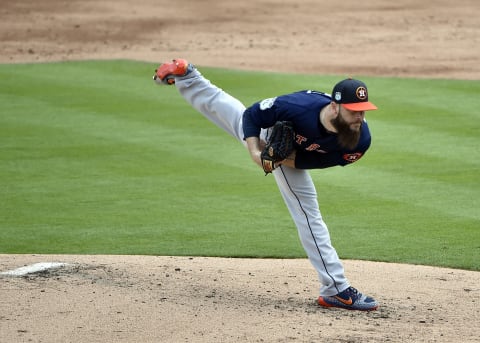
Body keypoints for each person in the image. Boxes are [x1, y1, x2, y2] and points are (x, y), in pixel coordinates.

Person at [153, 59, 379, 311]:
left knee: (306, 205)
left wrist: (281, 158)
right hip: (269, 132)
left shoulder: (359, 142)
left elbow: (312, 161)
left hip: (288, 153)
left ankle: (189, 77)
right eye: (353, 110)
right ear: (335, 107)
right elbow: (252, 115)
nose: (359, 116)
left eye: (363, 110)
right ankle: (335, 289)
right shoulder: (297, 107)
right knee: (307, 209)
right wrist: (256, 154)